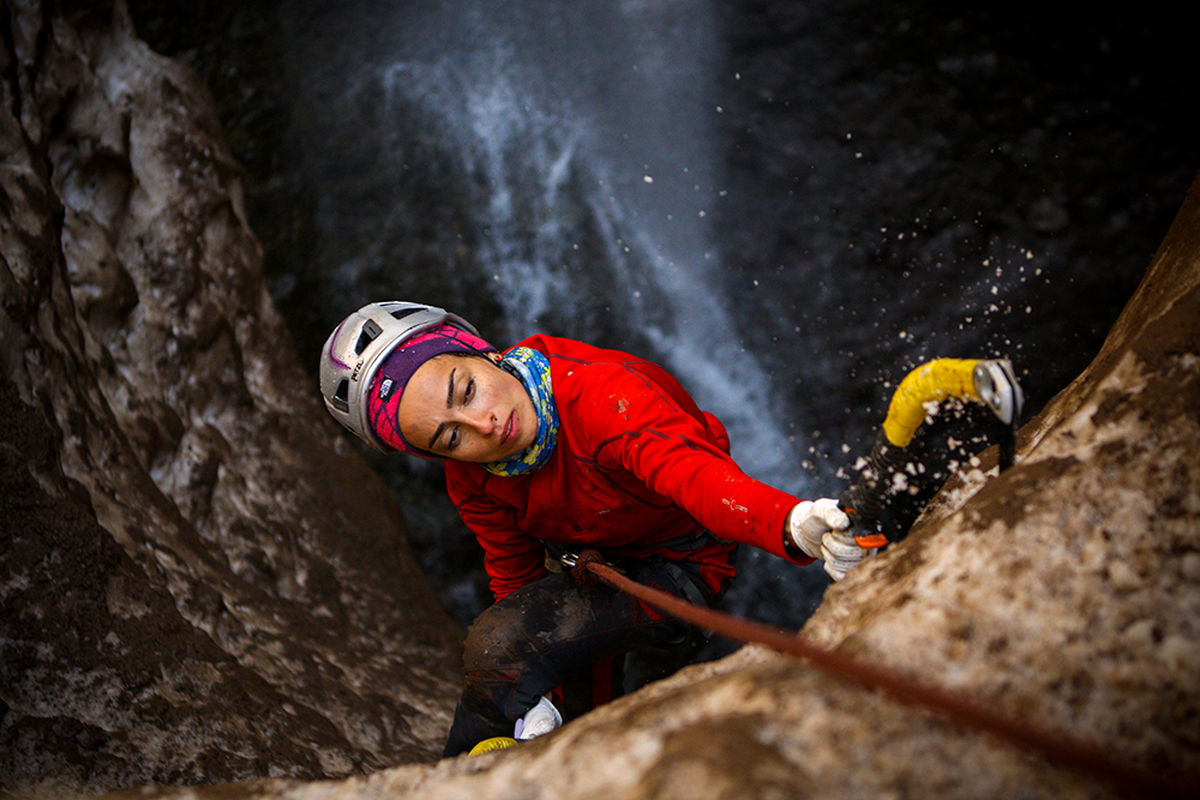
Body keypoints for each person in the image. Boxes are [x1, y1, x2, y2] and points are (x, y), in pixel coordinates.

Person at [319, 301, 874, 756]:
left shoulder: (604, 398)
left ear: (479, 351)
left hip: (681, 565)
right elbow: (513, 578)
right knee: (560, 706)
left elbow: (697, 479)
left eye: (465, 390)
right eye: (449, 438)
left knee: (505, 651)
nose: (483, 425)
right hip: (596, 568)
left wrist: (792, 522)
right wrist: (535, 693)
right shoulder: (474, 479)